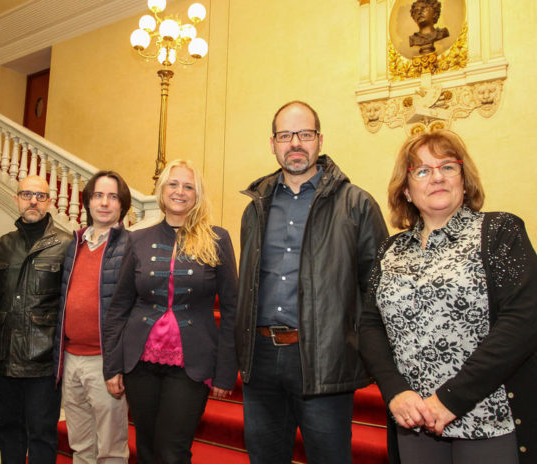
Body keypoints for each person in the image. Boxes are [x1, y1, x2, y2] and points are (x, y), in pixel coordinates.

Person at [359, 130, 537, 464]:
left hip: (486, 418)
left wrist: (451, 400)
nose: (437, 177)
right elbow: (370, 326)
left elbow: (523, 322)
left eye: (448, 167)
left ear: (465, 181)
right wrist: (394, 390)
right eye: (422, 171)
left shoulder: (499, 232)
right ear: (406, 191)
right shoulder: (391, 249)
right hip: (415, 422)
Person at [235, 100, 388, 464]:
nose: (295, 143)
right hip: (262, 358)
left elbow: (377, 288)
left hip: (324, 358)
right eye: (286, 135)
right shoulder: (255, 207)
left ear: (319, 140)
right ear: (273, 143)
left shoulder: (357, 204)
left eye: (304, 134)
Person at [103, 159, 238, 463]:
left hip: (192, 363)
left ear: (198, 194)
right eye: (173, 184)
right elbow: (119, 307)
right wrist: (112, 365)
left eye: (188, 186)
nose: (180, 191)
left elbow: (232, 310)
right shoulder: (137, 239)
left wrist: (226, 372)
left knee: (172, 450)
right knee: (148, 449)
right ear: (162, 191)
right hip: (140, 361)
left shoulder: (218, 239)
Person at [0, 175, 71, 463]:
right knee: (9, 431)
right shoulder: (0, 246)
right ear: (17, 199)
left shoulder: (66, 244)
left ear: (50, 202)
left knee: (42, 434)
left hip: (44, 362)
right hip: (5, 357)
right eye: (26, 194)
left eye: (40, 195)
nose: (33, 200)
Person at [53, 171, 132, 463]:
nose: (104, 202)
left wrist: (118, 364)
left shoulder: (131, 246)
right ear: (87, 202)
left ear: (122, 205)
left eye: (113, 196)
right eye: (98, 195)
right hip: (71, 359)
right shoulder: (73, 244)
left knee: (111, 450)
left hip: (105, 363)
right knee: (80, 445)